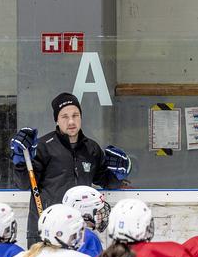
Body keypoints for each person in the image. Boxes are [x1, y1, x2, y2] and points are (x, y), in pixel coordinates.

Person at [10, 92, 131, 246]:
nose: (71, 121)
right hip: (45, 231)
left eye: (75, 115)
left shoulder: (91, 149)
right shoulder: (43, 147)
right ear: (57, 120)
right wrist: (20, 163)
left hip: (78, 232)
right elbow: (24, 184)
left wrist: (117, 175)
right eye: (65, 116)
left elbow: (105, 181)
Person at [62, 184, 110, 257]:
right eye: (98, 212)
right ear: (85, 213)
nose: (101, 216)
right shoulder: (88, 237)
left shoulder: (62, 232)